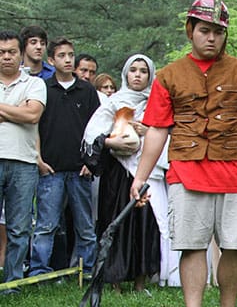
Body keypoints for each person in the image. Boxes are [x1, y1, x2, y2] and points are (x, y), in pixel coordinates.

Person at [129, 0, 237, 307]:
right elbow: (157, 130)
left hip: (234, 170)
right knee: (192, 244)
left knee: (235, 245)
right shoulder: (169, 76)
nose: (211, 38)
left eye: (218, 31)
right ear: (190, 31)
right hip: (186, 170)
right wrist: (140, 177)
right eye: (204, 30)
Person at [82, 54, 163, 292]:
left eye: (143, 71)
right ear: (126, 73)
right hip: (117, 174)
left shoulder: (156, 103)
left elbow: (166, 134)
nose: (138, 75)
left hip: (145, 172)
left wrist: (146, 131)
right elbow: (92, 135)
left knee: (144, 224)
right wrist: (111, 141)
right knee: (115, 221)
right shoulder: (113, 102)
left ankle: (140, 281)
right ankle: (114, 280)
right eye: (133, 70)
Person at [30, 37, 100, 279]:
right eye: (62, 56)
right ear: (51, 60)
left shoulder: (87, 90)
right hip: (50, 169)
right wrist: (39, 160)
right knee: (46, 226)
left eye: (71, 55)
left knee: (85, 226)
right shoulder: (42, 88)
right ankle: (40, 271)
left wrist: (91, 163)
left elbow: (98, 129)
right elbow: (34, 127)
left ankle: (87, 271)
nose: (68, 60)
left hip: (80, 170)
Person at [0, 30, 47, 289]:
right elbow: (25, 112)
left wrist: (10, 112)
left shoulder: (34, 84)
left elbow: (32, 115)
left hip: (24, 163)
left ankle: (12, 283)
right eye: (1, 52)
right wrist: (17, 110)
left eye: (11, 52)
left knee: (19, 227)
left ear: (20, 55)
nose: (6, 57)